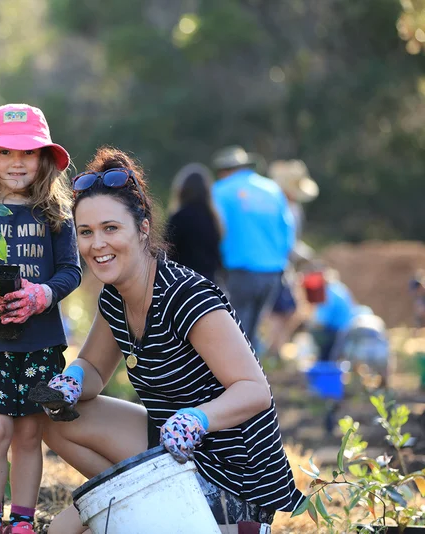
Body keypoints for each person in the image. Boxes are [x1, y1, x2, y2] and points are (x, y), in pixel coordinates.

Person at [32, 147, 304, 533]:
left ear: (142, 228)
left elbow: (254, 389)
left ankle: (184, 515)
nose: (97, 245)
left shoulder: (186, 296)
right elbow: (94, 367)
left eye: (111, 228)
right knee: (58, 423)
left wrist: (199, 418)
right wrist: (74, 378)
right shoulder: (114, 297)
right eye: (86, 232)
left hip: (233, 471)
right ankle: (140, 501)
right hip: (172, 452)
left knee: (66, 527)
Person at [0, 103, 82, 534]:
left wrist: (44, 293)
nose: (17, 162)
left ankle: (23, 520)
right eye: (6, 153)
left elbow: (71, 271)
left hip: (38, 340)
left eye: (27, 153)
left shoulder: (55, 215)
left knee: (28, 434)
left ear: (44, 159)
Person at [211, 145, 296, 347]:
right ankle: (255, 374)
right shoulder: (272, 189)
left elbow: (215, 229)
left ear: (225, 170)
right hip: (272, 273)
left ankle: (235, 376)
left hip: (240, 270)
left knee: (236, 330)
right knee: (254, 328)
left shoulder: (220, 190)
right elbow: (287, 233)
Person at [264, 160, 319, 356]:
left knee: (287, 311)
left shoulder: (291, 208)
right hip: (275, 265)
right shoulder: (279, 208)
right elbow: (287, 243)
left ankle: (273, 349)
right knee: (282, 311)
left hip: (282, 265)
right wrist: (307, 256)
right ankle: (272, 351)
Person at [164, 162, 222, 282]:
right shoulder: (213, 218)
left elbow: (168, 252)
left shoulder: (178, 217)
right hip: (209, 280)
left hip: (184, 281)